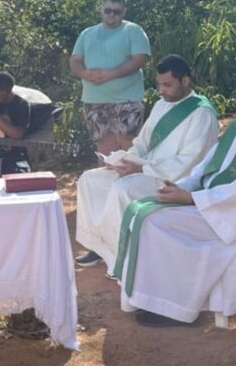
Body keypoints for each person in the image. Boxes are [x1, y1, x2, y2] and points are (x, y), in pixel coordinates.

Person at [113, 56, 236, 326]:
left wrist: (192, 199)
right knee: (140, 211)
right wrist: (183, 187)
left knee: (153, 222)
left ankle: (175, 307)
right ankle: (157, 299)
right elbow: (210, 165)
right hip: (221, 205)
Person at [74, 55, 219, 270]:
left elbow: (191, 162)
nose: (161, 90)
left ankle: (124, 257)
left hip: (171, 179)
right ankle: (101, 247)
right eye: (160, 84)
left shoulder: (202, 114)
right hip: (145, 168)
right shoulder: (162, 105)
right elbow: (142, 142)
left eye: (167, 85)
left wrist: (141, 168)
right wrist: (124, 161)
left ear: (186, 81)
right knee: (90, 180)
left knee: (123, 189)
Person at [69, 0, 152, 156]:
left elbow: (140, 59)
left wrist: (111, 74)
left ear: (124, 12)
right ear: (101, 10)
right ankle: (105, 181)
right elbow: (75, 60)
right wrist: (85, 74)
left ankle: (132, 181)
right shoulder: (87, 33)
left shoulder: (133, 31)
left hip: (127, 98)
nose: (112, 14)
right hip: (94, 99)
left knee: (128, 144)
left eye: (117, 11)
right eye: (108, 10)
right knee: (104, 148)